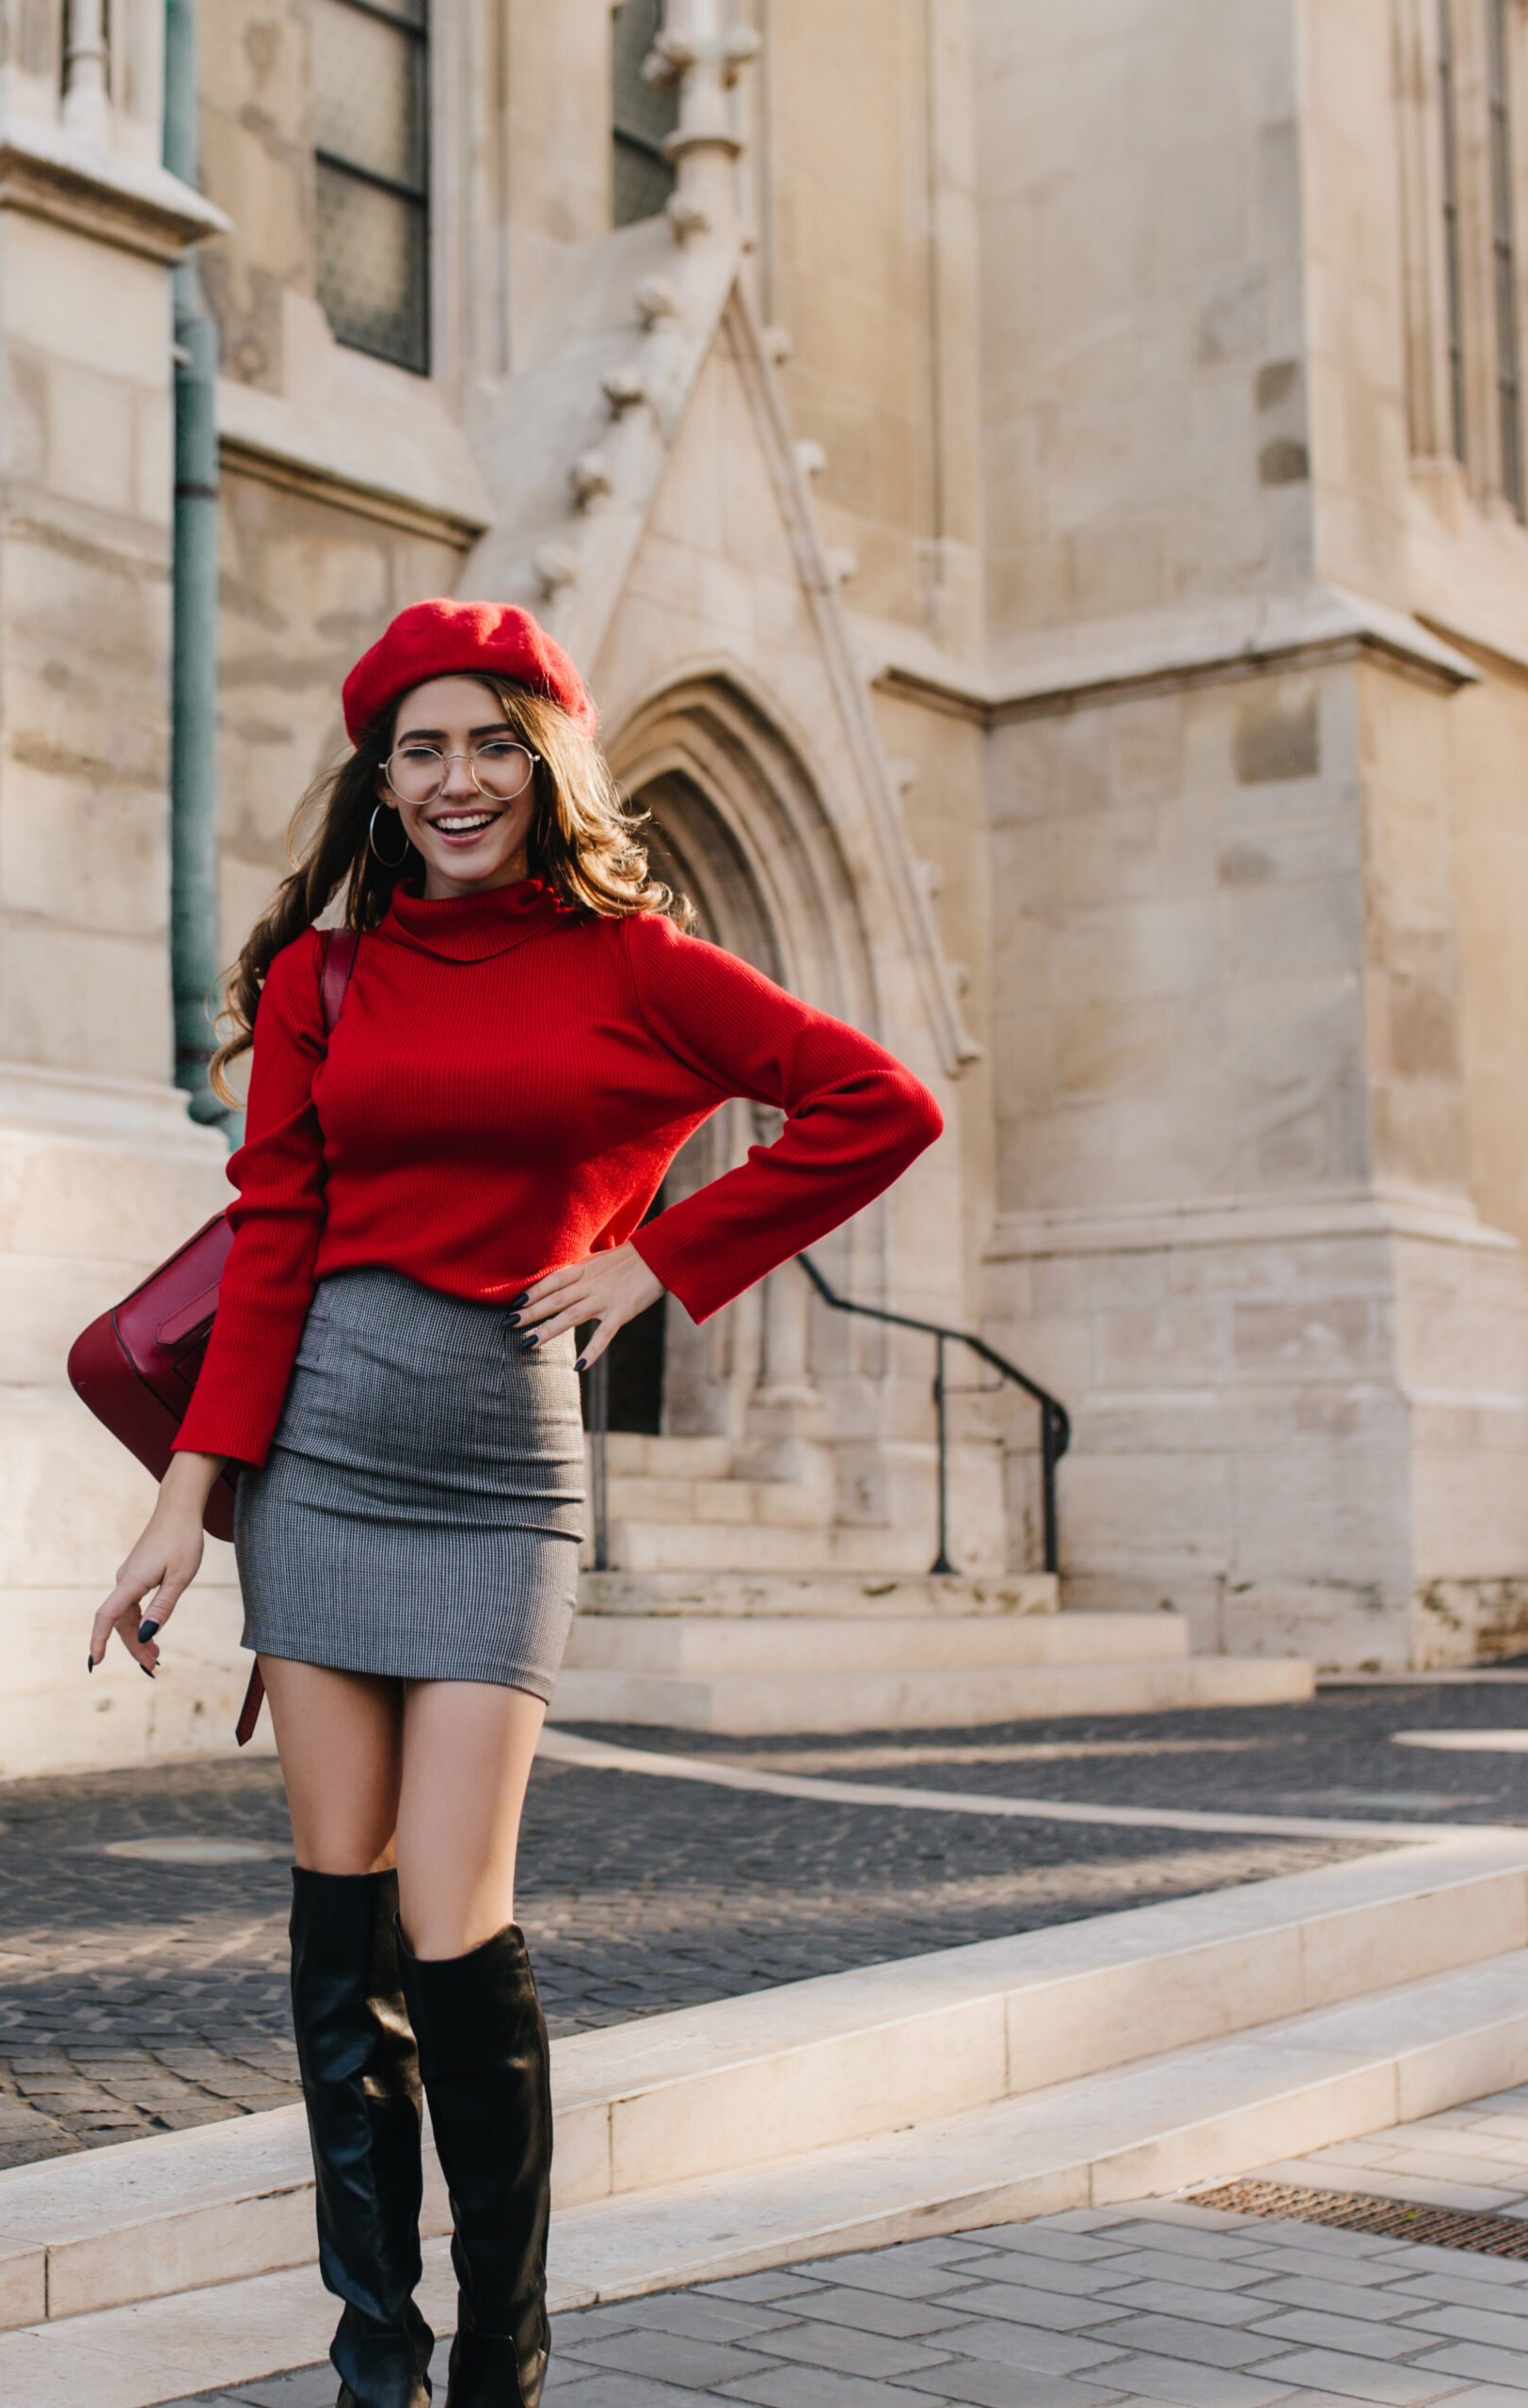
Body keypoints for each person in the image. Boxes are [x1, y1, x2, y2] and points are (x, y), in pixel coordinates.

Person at [86, 600, 944, 2408]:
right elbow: (276, 1246)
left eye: (489, 742)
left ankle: (509, 2348)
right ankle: (375, 2357)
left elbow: (879, 1105)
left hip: (500, 1474)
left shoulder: (640, 967)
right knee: (341, 1917)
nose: (455, 778)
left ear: (544, 762)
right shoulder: (323, 982)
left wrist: (663, 1263)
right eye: (420, 749)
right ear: (381, 785)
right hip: (323, 1457)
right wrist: (189, 1498)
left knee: (453, 1923)